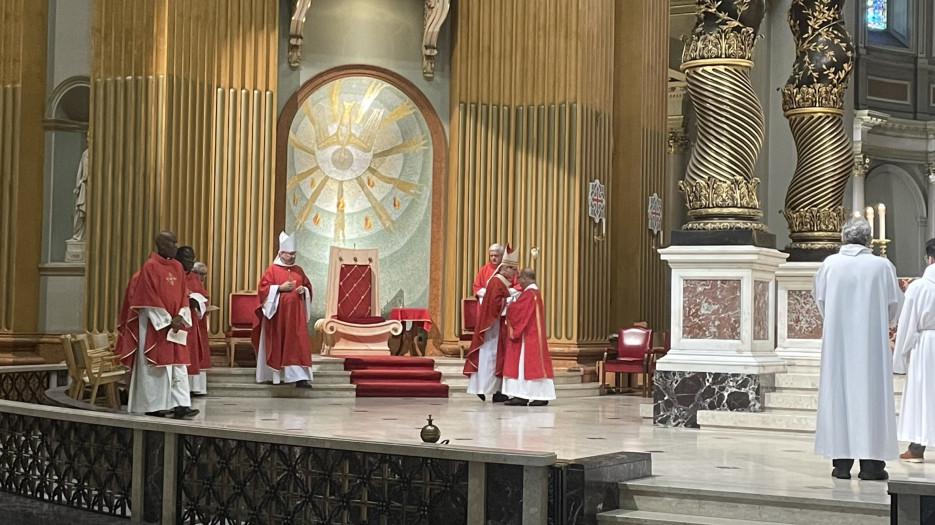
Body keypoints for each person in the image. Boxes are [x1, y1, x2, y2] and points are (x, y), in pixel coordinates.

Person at [813, 217, 903, 480]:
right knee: (871, 397)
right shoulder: (881, 266)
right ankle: (871, 465)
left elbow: (820, 300)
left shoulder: (830, 265)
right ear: (868, 240)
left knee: (838, 396)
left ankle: (841, 465)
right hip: (870, 343)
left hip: (838, 342)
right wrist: (877, 321)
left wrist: (836, 320)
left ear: (843, 238)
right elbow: (894, 304)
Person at [114, 231, 199, 419]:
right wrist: (167, 321)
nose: (175, 248)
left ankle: (181, 405)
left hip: (175, 325)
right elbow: (147, 298)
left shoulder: (177, 267)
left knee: (178, 365)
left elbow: (184, 294)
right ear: (161, 245)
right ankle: (154, 406)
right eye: (172, 244)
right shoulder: (150, 267)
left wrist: (181, 316)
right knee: (155, 366)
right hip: (155, 326)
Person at [252, 231, 314, 388]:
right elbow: (263, 290)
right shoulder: (272, 270)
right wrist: (278, 288)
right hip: (278, 316)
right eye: (289, 254)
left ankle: (300, 378)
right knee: (279, 343)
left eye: (294, 254)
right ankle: (276, 376)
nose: (292, 256)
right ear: (281, 253)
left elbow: (307, 286)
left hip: (296, 316)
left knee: (297, 344)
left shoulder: (298, 270)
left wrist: (303, 290)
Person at [894, 238, 935, 462]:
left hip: (926, 345)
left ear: (928, 258)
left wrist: (900, 357)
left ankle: (917, 449)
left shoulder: (919, 287)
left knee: (923, 395)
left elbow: (907, 323)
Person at [464, 245, 520, 402]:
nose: (493, 258)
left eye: (496, 255)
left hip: (498, 322)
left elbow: (516, 287)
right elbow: (485, 293)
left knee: (496, 357)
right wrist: (504, 298)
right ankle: (485, 388)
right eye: (491, 255)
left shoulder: (504, 277)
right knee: (489, 357)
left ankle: (497, 391)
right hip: (491, 323)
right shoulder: (491, 276)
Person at [502, 268, 556, 406]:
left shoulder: (529, 294)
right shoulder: (532, 293)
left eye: (519, 278)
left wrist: (509, 305)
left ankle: (534, 396)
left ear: (525, 279)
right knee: (525, 366)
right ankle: (524, 395)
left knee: (528, 365)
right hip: (530, 335)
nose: (518, 281)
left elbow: (517, 311)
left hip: (528, 337)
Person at [175, 247, 212, 396]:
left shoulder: (194, 277)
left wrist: (198, 304)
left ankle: (191, 389)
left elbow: (203, 296)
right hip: (178, 321)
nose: (190, 263)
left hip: (193, 320)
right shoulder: (173, 274)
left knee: (192, 354)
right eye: (187, 259)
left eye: (192, 259)